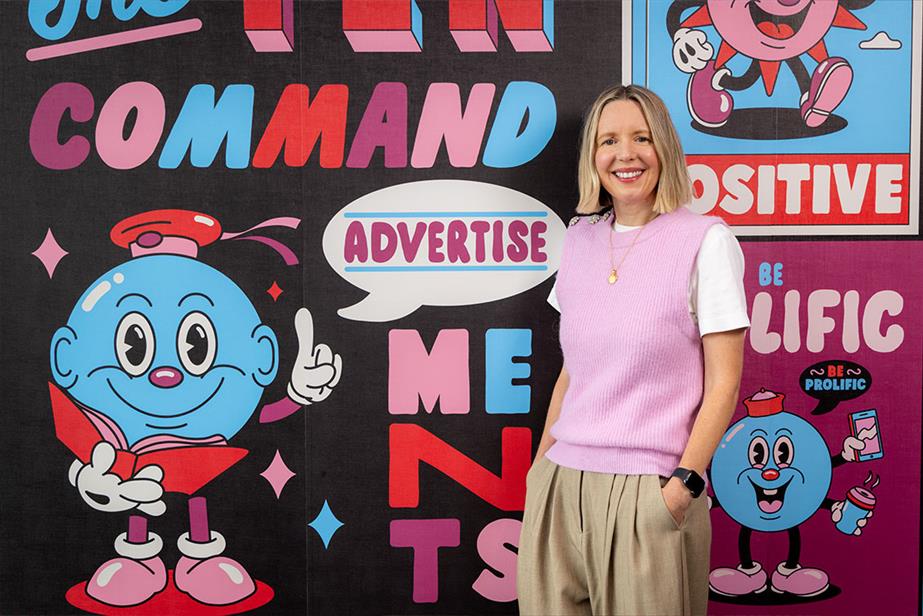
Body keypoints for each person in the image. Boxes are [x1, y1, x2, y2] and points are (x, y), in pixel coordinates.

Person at [517, 84, 749, 616]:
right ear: (592, 157)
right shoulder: (577, 241)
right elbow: (573, 372)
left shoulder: (706, 241)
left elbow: (724, 383)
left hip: (650, 489)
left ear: (664, 147)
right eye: (609, 140)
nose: (625, 154)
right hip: (560, 483)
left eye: (641, 138)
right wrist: (540, 470)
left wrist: (683, 484)